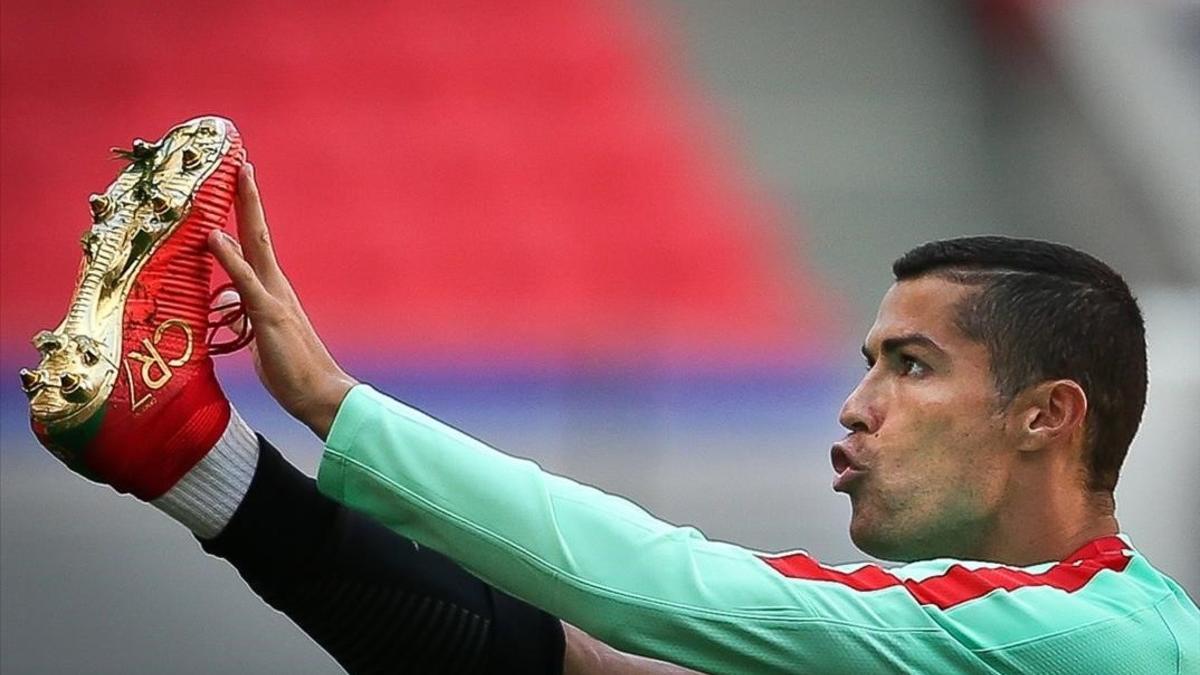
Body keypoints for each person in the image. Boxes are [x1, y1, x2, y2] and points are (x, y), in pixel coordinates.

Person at [26, 119, 1199, 673]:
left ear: (1049, 415)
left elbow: (662, 587)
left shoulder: (1090, 642)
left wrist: (335, 402)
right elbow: (581, 666)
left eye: (911, 366)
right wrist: (206, 470)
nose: (856, 408)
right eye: (865, 362)